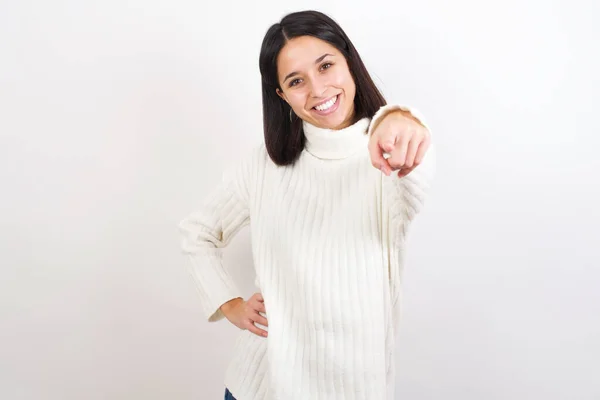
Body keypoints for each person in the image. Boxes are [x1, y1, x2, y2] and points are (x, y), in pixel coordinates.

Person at [178, 9, 435, 400]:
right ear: (281, 95)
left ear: (349, 61)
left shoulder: (387, 157)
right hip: (258, 387)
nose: (317, 90)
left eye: (326, 65)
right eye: (296, 81)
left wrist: (403, 118)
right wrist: (228, 303)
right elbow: (198, 233)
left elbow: (412, 166)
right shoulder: (262, 165)